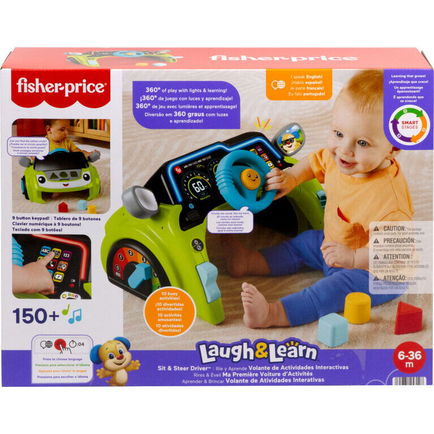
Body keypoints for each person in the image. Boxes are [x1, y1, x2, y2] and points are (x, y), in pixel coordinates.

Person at [222, 70, 414, 328]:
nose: (344, 149)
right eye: (338, 133)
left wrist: (353, 258)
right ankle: (248, 262)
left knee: (332, 290)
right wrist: (291, 177)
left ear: (393, 148)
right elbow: (315, 162)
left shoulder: (390, 203)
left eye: (362, 143)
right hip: (335, 243)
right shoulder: (340, 158)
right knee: (303, 243)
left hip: (375, 271)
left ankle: (272, 313)